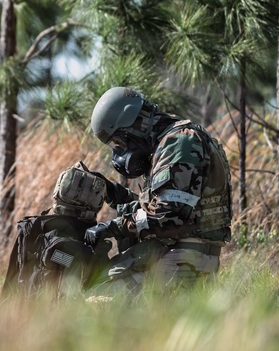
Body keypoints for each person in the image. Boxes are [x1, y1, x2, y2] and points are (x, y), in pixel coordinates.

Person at [83, 86, 232, 293]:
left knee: (98, 301)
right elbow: (163, 205)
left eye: (118, 142)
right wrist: (115, 194)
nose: (119, 152)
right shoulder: (169, 143)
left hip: (183, 262)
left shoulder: (180, 143)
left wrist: (111, 227)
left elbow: (168, 216)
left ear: (132, 127)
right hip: (177, 256)